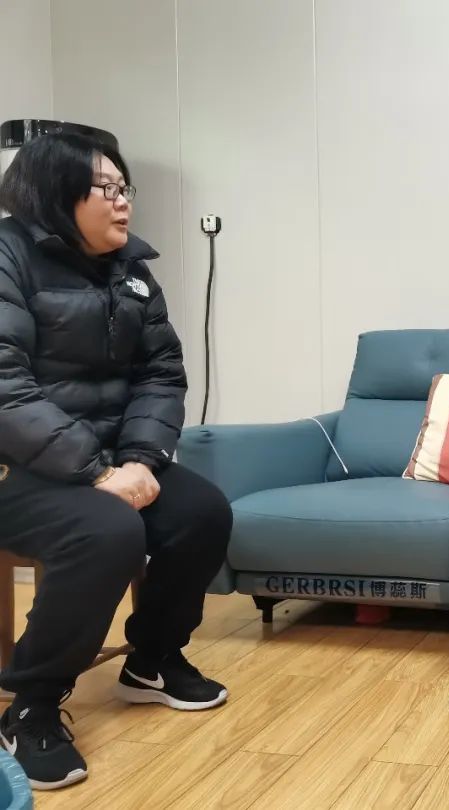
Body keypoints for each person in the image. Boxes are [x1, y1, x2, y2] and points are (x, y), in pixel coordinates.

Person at [0, 133, 232, 790]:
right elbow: (6, 389)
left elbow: (161, 371)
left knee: (203, 512)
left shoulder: (131, 270)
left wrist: (141, 461)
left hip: (105, 462)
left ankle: (152, 660)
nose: (123, 201)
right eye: (106, 188)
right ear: (54, 192)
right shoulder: (7, 257)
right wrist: (97, 472)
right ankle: (32, 703)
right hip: (17, 471)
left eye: (124, 186)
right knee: (108, 531)